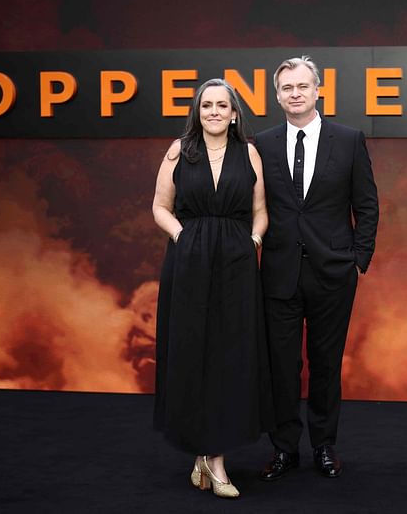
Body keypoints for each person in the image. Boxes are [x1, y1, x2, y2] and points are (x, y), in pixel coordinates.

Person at [255, 56, 379, 480]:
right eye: (287, 88)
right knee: (281, 366)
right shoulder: (262, 143)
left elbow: (367, 204)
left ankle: (324, 446)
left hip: (333, 273)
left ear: (318, 90)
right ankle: (284, 449)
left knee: (326, 364)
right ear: (277, 95)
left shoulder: (348, 140)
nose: (295, 94)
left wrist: (358, 260)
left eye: (302, 87)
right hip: (278, 272)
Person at [152, 78, 273, 499]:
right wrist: (183, 238)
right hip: (189, 264)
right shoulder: (178, 151)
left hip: (237, 266)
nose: (215, 112)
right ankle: (203, 455)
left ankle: (215, 459)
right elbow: (160, 207)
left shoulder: (250, 153)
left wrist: (253, 241)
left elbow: (260, 212)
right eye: (207, 105)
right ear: (197, 111)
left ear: (235, 112)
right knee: (192, 354)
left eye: (223, 105)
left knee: (228, 357)